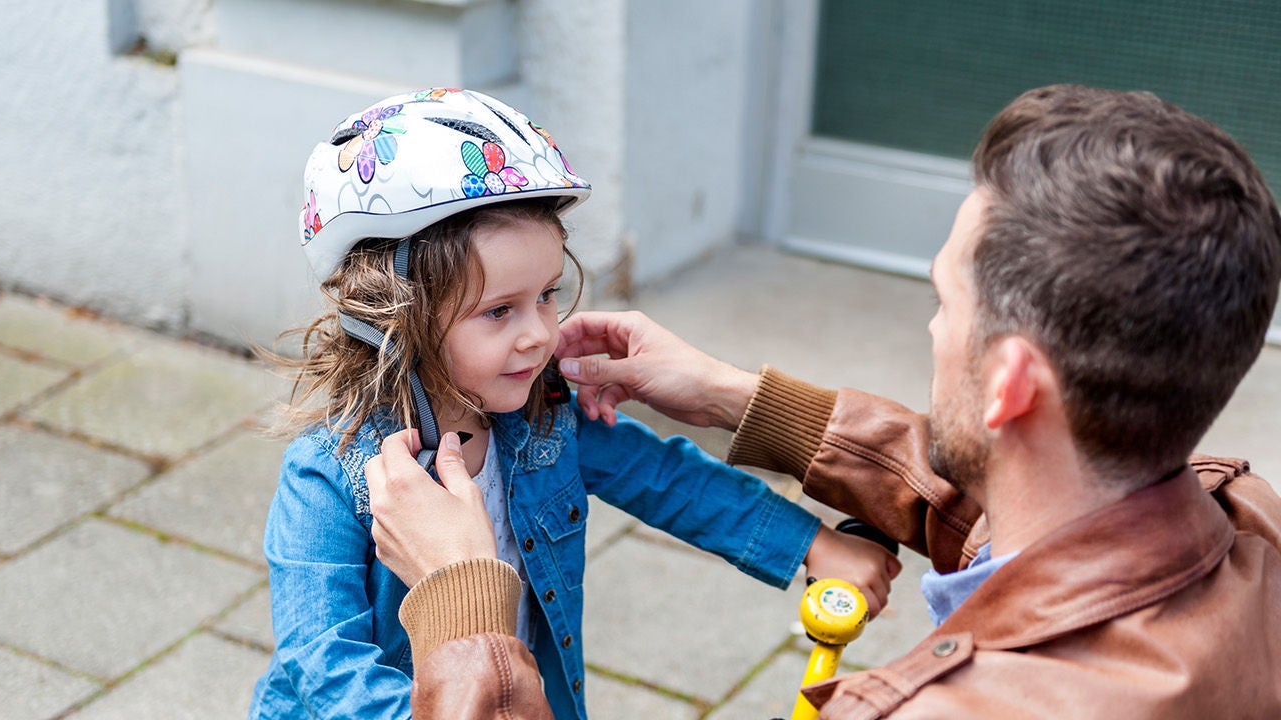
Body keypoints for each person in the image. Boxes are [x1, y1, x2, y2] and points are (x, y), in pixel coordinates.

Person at [373, 84, 1281, 718]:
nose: (931, 332)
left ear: (1011, 385)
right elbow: (1033, 510)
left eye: (944, 303)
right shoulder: (1249, 530)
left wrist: (463, 608)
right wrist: (738, 399)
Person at [245, 88, 899, 720]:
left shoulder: (543, 419)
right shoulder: (328, 477)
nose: (538, 333)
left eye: (548, 294)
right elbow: (322, 668)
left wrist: (810, 542)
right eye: (499, 311)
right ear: (395, 319)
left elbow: (667, 478)